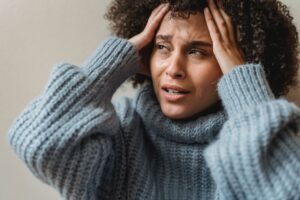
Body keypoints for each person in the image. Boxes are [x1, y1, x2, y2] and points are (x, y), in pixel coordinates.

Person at [7, 0, 300, 199]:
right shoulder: (119, 131)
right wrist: (109, 64)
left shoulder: (263, 143)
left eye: (198, 51)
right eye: (162, 47)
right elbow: (38, 145)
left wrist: (243, 87)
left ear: (233, 61)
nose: (173, 68)